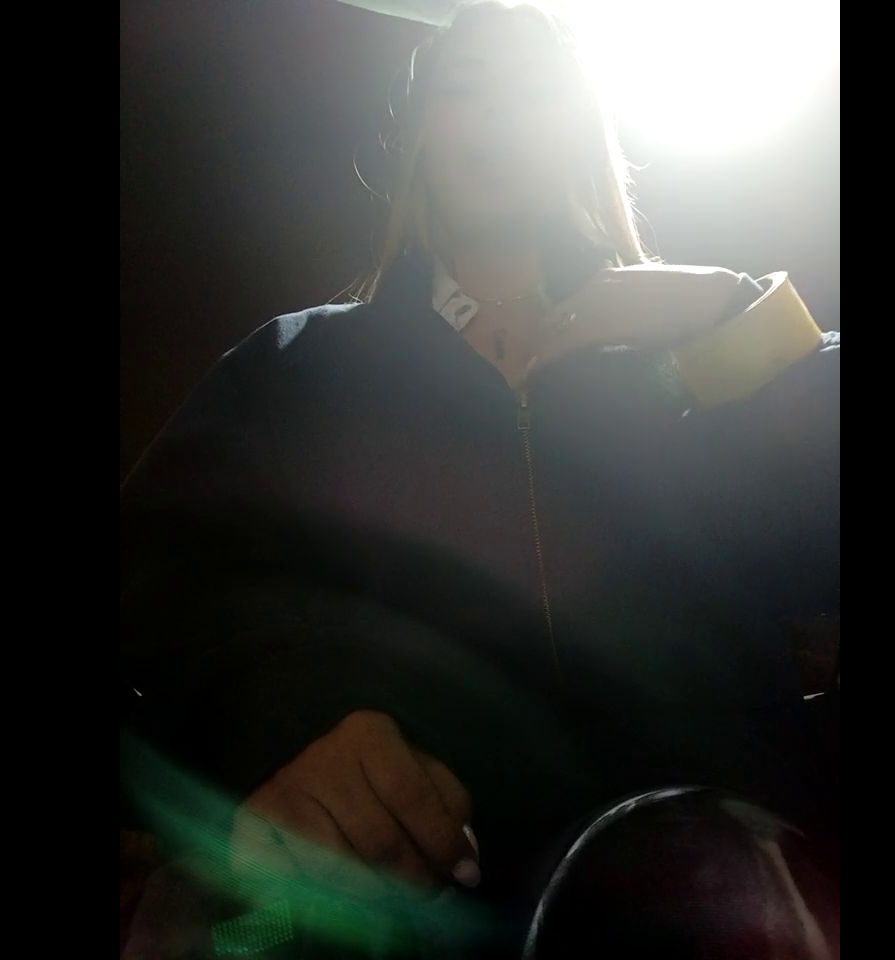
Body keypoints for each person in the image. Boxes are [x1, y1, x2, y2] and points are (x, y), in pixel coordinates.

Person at [121, 2, 839, 955]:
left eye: (532, 92)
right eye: (467, 87)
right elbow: (155, 582)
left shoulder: (697, 350)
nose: (499, 114)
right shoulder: (299, 361)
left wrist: (743, 315)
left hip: (735, 914)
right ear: (422, 136)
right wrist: (282, 731)